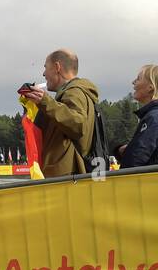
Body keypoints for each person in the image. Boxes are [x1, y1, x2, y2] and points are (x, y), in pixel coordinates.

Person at [19, 49, 100, 177]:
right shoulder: (74, 92)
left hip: (67, 177)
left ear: (57, 67)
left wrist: (45, 101)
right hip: (68, 174)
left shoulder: (74, 92)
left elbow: (78, 124)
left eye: (46, 68)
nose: (44, 74)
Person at [115, 65, 158, 167]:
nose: (133, 82)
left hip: (152, 181)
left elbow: (136, 158)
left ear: (150, 87)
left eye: (138, 79)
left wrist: (122, 151)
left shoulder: (155, 117)